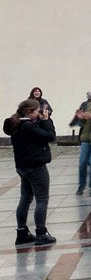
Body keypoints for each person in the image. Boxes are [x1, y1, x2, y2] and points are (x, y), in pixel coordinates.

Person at [5, 99, 56, 246]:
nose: (39, 113)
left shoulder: (17, 124)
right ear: (29, 112)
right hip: (36, 166)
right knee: (42, 199)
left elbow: (35, 135)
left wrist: (39, 122)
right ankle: (41, 233)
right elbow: (49, 136)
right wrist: (47, 121)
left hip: (22, 166)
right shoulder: (27, 126)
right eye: (36, 111)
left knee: (25, 198)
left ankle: (21, 232)